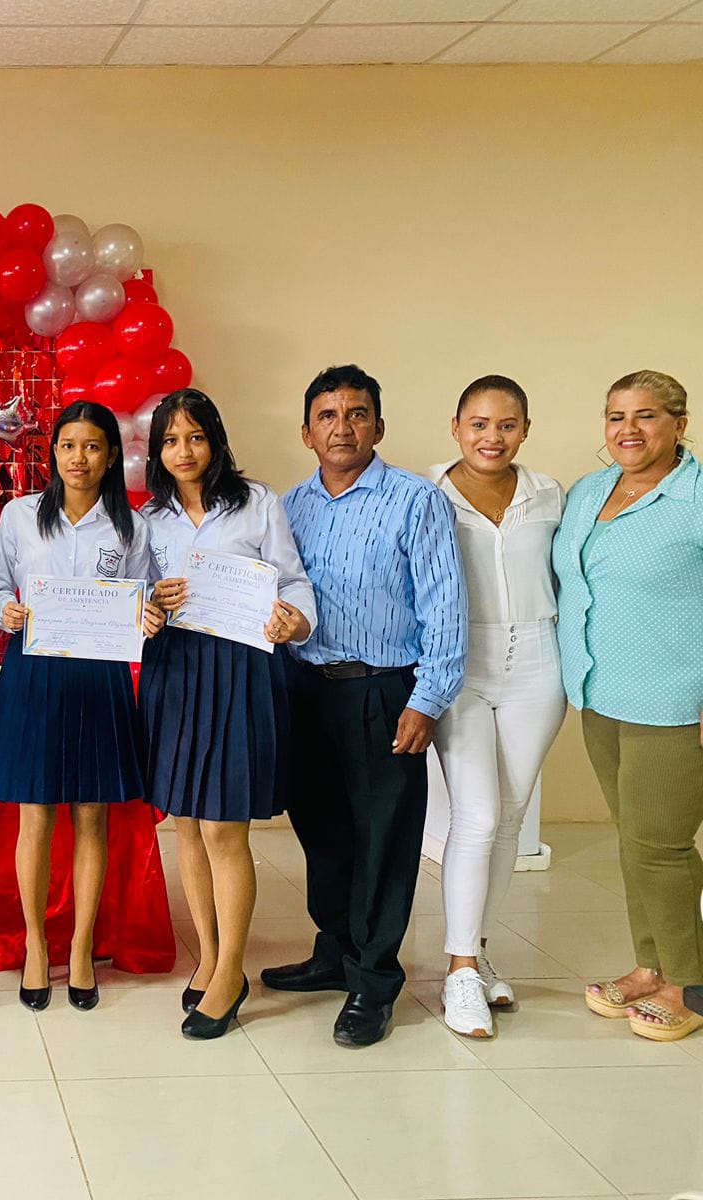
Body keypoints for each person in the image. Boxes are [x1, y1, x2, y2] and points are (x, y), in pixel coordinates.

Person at [262, 364, 467, 1049]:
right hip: (306, 688)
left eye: (356, 414)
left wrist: (427, 699)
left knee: (384, 839)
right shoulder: (289, 507)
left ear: (379, 426)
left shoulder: (416, 501)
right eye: (327, 415)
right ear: (307, 432)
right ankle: (336, 951)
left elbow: (444, 605)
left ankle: (375, 980)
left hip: (385, 690)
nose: (342, 427)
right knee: (322, 831)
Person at [136, 389, 316, 1040]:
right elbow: (135, 595)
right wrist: (148, 605)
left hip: (240, 667)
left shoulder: (258, 502)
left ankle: (232, 972)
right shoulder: (149, 518)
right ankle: (211, 959)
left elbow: (293, 581)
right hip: (176, 669)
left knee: (223, 828)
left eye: (195, 437)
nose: (183, 451)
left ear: (215, 441)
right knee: (186, 823)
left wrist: (295, 619)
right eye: (170, 440)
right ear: (157, 451)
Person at [0, 401, 155, 1013]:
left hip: (100, 675)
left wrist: (148, 614)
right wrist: (3, 608)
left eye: (92, 446)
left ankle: (80, 948)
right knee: (35, 815)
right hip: (34, 670)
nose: (79, 458)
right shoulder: (20, 515)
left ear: (111, 456)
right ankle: (35, 944)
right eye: (68, 446)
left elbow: (143, 597)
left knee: (91, 816)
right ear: (53, 453)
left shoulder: (132, 528)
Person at [554, 370, 703, 1043]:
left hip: (673, 699)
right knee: (636, 841)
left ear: (679, 423)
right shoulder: (590, 492)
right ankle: (652, 965)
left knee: (662, 846)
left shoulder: (695, 496)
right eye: (617, 416)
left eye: (646, 416)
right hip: (600, 692)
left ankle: (689, 983)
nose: (629, 429)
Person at [427, 375, 565, 1040]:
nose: (492, 437)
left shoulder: (550, 493)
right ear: (456, 427)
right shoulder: (427, 493)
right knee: (477, 816)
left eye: (507, 425)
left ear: (525, 430)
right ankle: (457, 972)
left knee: (509, 818)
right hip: (463, 663)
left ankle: (477, 951)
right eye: (479, 424)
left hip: (539, 663)